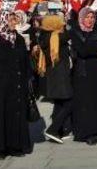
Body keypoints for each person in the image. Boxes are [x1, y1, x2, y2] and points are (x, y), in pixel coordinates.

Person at [0, 10, 33, 159]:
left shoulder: (19, 39)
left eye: (14, 19)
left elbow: (24, 61)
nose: (14, 22)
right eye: (10, 19)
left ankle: (14, 146)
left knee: (14, 115)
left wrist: (28, 78)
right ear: (2, 20)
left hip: (16, 85)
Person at [69, 2, 97, 145]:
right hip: (84, 74)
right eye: (87, 17)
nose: (90, 20)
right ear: (82, 18)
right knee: (87, 103)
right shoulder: (75, 31)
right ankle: (87, 132)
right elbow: (82, 50)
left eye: (92, 17)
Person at [38, 14, 73, 143]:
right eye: (59, 22)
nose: (62, 24)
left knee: (59, 102)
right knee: (70, 102)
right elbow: (71, 32)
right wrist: (70, 20)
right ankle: (52, 129)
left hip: (53, 74)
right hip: (60, 74)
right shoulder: (57, 36)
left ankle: (59, 132)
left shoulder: (44, 36)